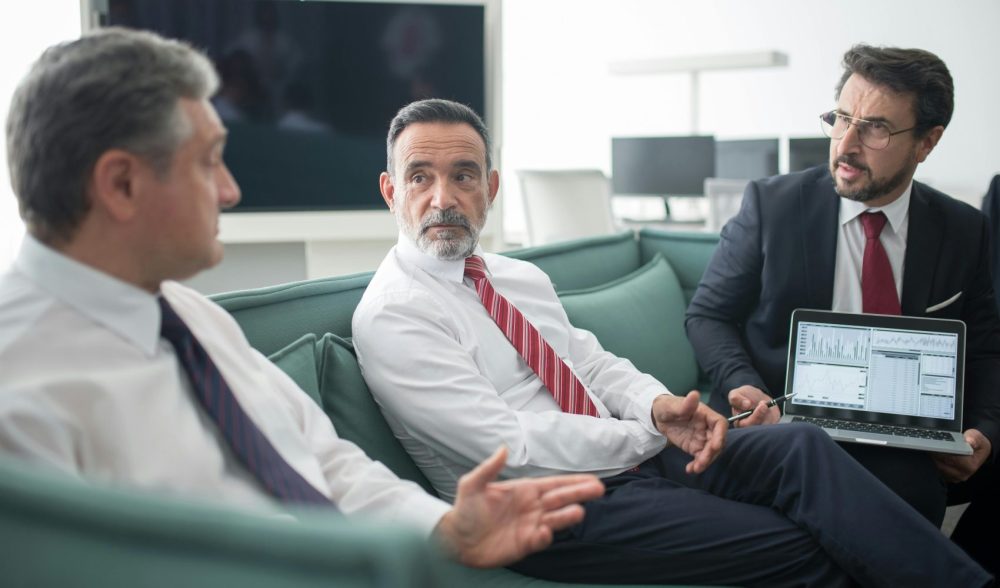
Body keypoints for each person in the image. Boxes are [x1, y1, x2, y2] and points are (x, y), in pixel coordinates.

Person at [0, 28, 607, 571]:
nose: (230, 191)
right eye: (208, 163)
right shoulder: (20, 394)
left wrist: (442, 528)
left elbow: (324, 459)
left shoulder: (190, 317)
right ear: (121, 184)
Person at [351, 97, 990, 586]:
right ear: (390, 190)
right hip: (545, 507)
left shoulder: (515, 277)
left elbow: (590, 362)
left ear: (490, 188)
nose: (443, 198)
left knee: (801, 443)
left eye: (464, 176)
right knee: (810, 543)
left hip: (631, 457)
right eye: (420, 177)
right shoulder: (395, 314)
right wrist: (649, 434)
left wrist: (657, 406)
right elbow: (507, 447)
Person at [684, 44, 1000, 573]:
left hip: (903, 430)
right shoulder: (771, 205)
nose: (846, 145)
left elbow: (987, 349)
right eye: (842, 119)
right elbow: (708, 315)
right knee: (903, 501)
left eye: (875, 128)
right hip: (781, 423)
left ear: (927, 142)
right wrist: (744, 384)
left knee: (921, 488)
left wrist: (984, 430)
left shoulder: (964, 230)